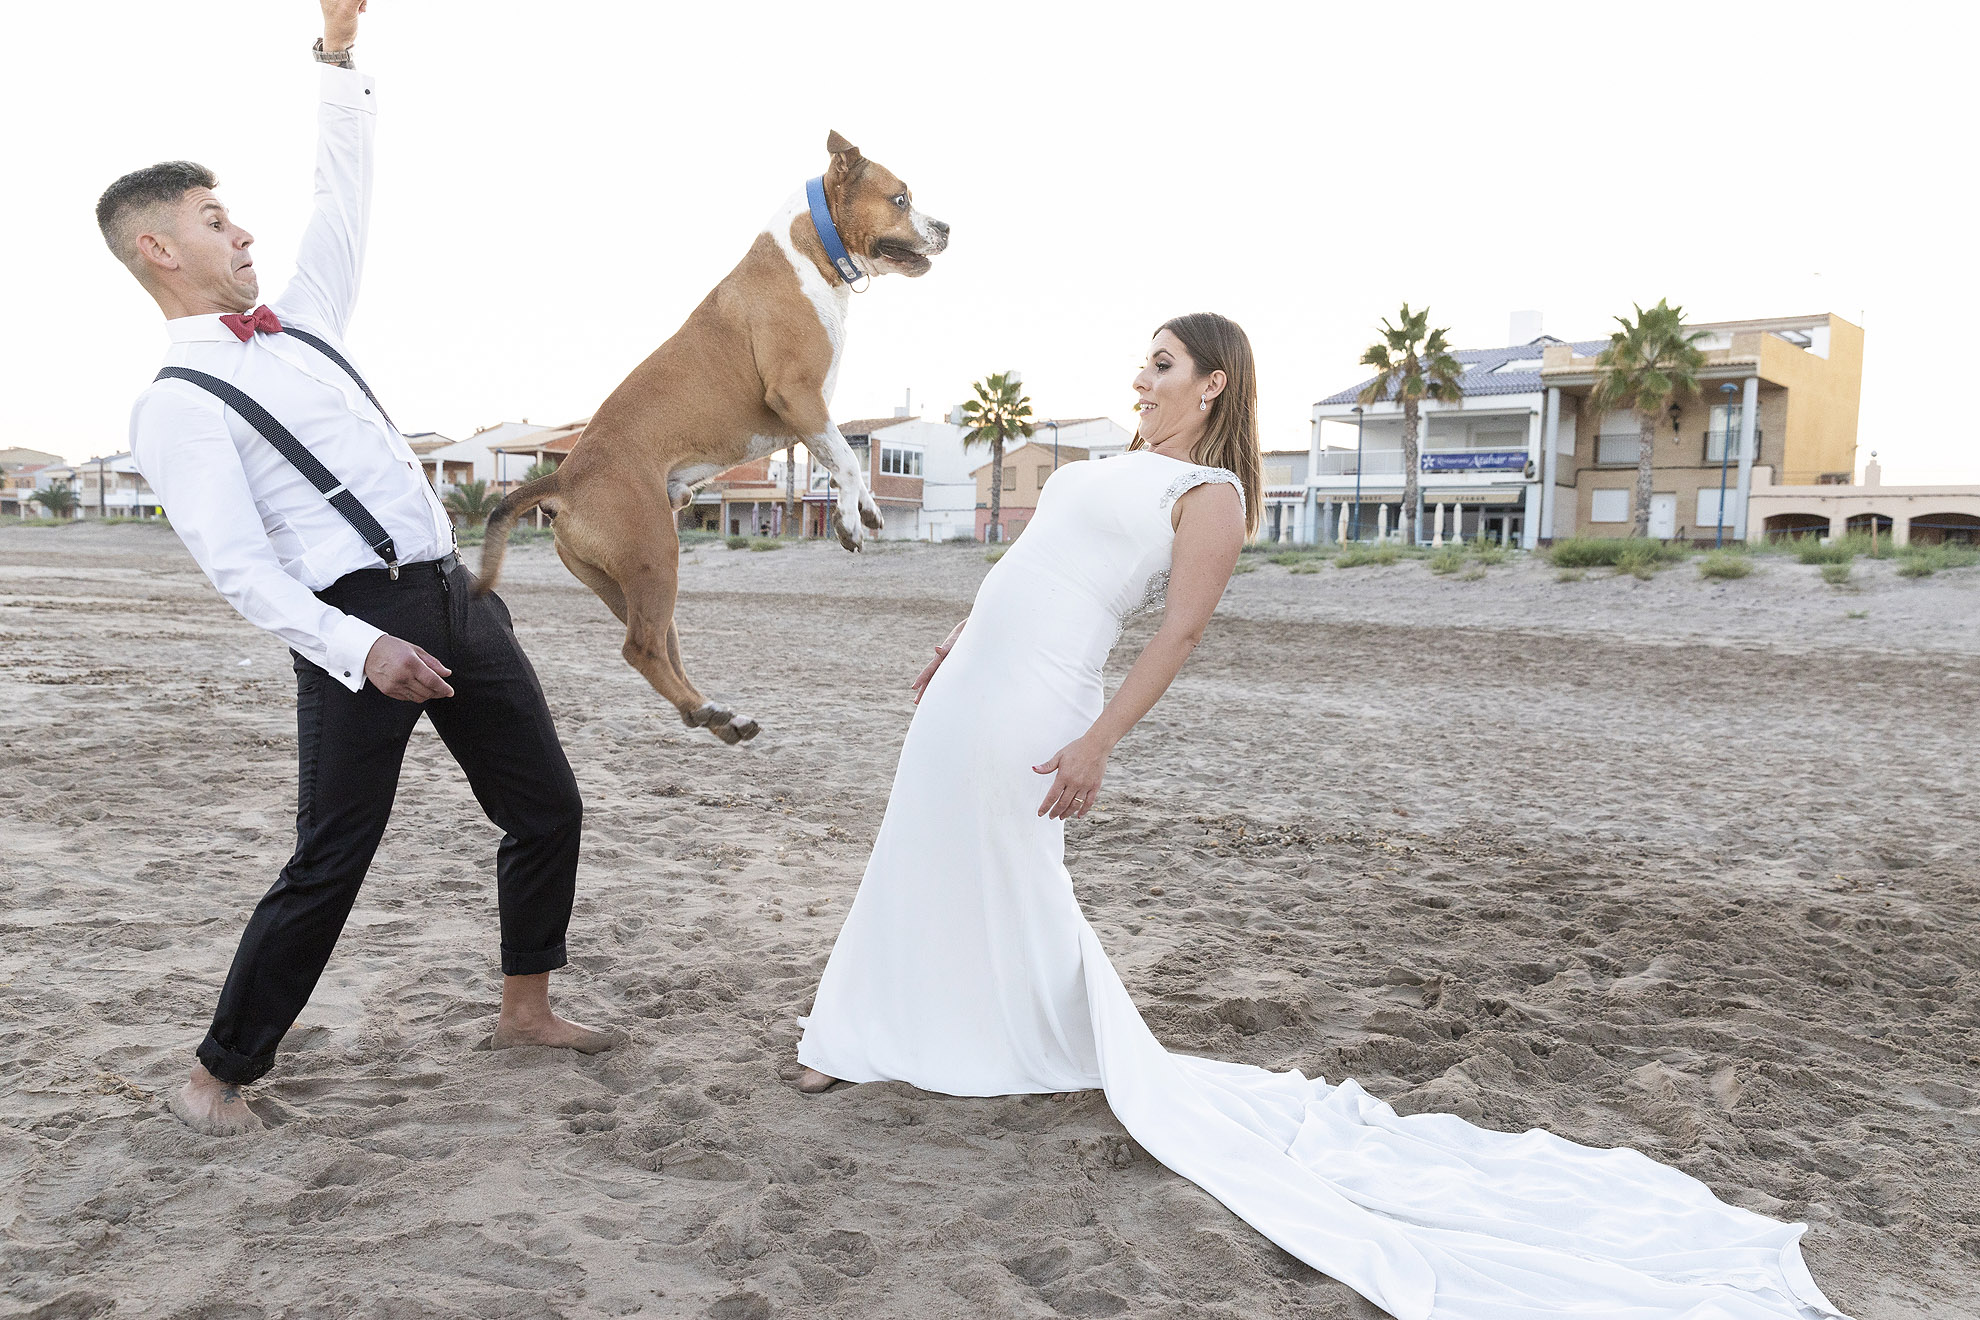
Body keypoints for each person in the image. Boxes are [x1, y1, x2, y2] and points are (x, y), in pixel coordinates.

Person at [793, 313, 1847, 1318]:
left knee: (1016, 867)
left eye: (1161, 364)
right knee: (916, 846)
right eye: (1142, 362)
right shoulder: (1104, 466)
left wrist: (1098, 742)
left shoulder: (1212, 493)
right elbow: (1018, 570)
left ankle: (1007, 1037)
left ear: (1212, 381)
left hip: (1042, 696)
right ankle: (866, 1031)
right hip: (974, 672)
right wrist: (952, 641)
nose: (1141, 379)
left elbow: (1179, 636)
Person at [102, 1, 615, 1137]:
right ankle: (216, 1076)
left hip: (456, 597)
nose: (241, 234)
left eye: (234, 215)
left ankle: (524, 1006)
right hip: (354, 624)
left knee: (548, 810)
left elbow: (346, 194)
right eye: (214, 218)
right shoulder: (177, 404)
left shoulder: (307, 322)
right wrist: (363, 647)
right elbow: (240, 571)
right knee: (331, 858)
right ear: (158, 248)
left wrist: (336, 55)